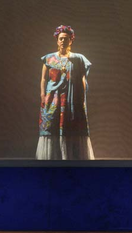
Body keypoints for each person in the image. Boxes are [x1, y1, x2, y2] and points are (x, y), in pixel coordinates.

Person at [36, 25, 95, 159]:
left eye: (66, 39)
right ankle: (52, 158)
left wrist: (82, 98)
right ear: (57, 40)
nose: (63, 41)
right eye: (61, 39)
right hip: (53, 98)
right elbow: (43, 79)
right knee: (52, 125)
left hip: (71, 99)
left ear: (71, 40)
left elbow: (82, 79)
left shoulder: (79, 58)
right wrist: (42, 95)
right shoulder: (49, 58)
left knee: (71, 125)